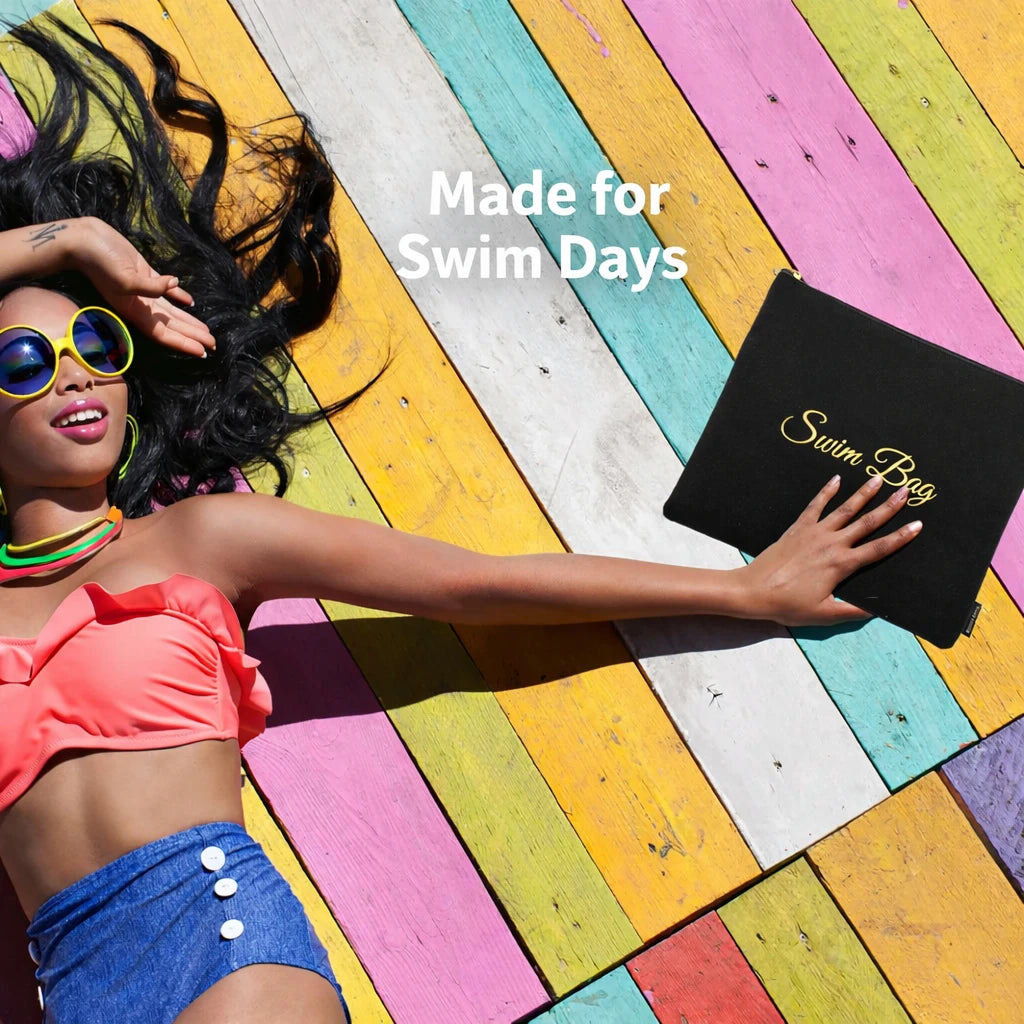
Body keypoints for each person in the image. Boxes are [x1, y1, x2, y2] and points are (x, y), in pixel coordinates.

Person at [0, 14, 921, 1024]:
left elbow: (471, 582)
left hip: (224, 947)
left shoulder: (198, 540)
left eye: (97, 339)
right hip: (75, 989)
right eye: (25, 362)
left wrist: (746, 588)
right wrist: (75, 241)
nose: (77, 374)